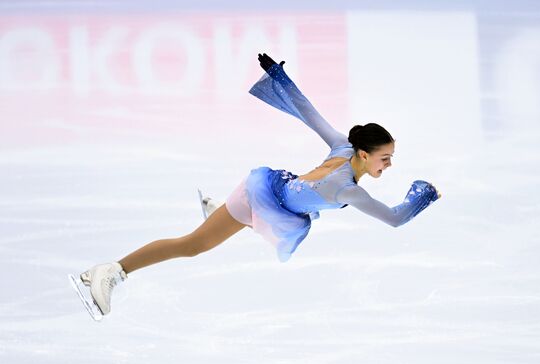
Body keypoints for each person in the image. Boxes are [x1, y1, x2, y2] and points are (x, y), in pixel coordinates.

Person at [77, 53, 441, 318]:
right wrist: (425, 192)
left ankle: (221, 211)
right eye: (385, 158)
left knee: (233, 227)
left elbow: (306, 110)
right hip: (260, 198)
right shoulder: (347, 190)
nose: (389, 165)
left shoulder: (342, 147)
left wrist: (278, 77)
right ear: (364, 154)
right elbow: (395, 219)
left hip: (274, 196)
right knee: (193, 245)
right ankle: (112, 271)